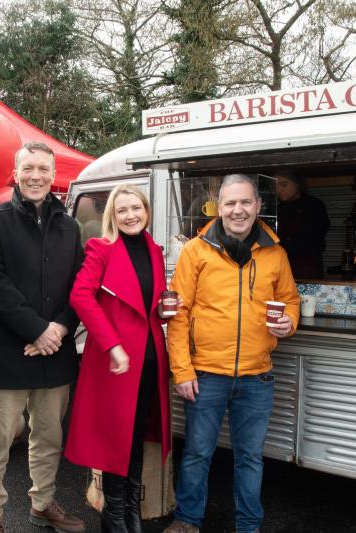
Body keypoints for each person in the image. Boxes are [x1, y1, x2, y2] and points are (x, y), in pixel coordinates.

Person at [164, 174, 300, 533]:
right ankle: (188, 520)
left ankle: (248, 526)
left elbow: (290, 301)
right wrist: (182, 371)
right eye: (230, 203)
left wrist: (290, 322)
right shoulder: (195, 251)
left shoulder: (275, 253)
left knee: (250, 458)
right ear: (218, 207)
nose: (237, 210)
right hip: (205, 373)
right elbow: (177, 314)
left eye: (245, 203)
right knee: (196, 454)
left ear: (258, 206)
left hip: (257, 375)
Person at [0, 141, 85, 533]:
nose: (36, 176)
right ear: (15, 172)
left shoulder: (70, 226)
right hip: (9, 353)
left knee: (49, 437)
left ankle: (42, 503)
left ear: (54, 175)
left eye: (43, 169)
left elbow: (80, 286)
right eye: (28, 168)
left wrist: (57, 328)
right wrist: (38, 330)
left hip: (55, 353)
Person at [66, 184, 173, 533]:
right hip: (116, 361)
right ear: (113, 215)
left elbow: (148, 304)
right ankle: (114, 516)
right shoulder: (102, 248)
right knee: (116, 438)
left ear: (146, 211)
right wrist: (111, 344)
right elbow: (81, 296)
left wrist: (165, 308)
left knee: (137, 435)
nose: (130, 215)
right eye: (122, 210)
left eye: (136, 208)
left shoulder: (155, 251)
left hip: (149, 358)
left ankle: (131, 512)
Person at [275, 170, 330, 279]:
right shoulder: (276, 209)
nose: (278, 189)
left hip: (306, 269)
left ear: (297, 184)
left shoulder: (313, 205)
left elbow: (314, 238)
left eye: (283, 184)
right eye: (275, 186)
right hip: (280, 268)